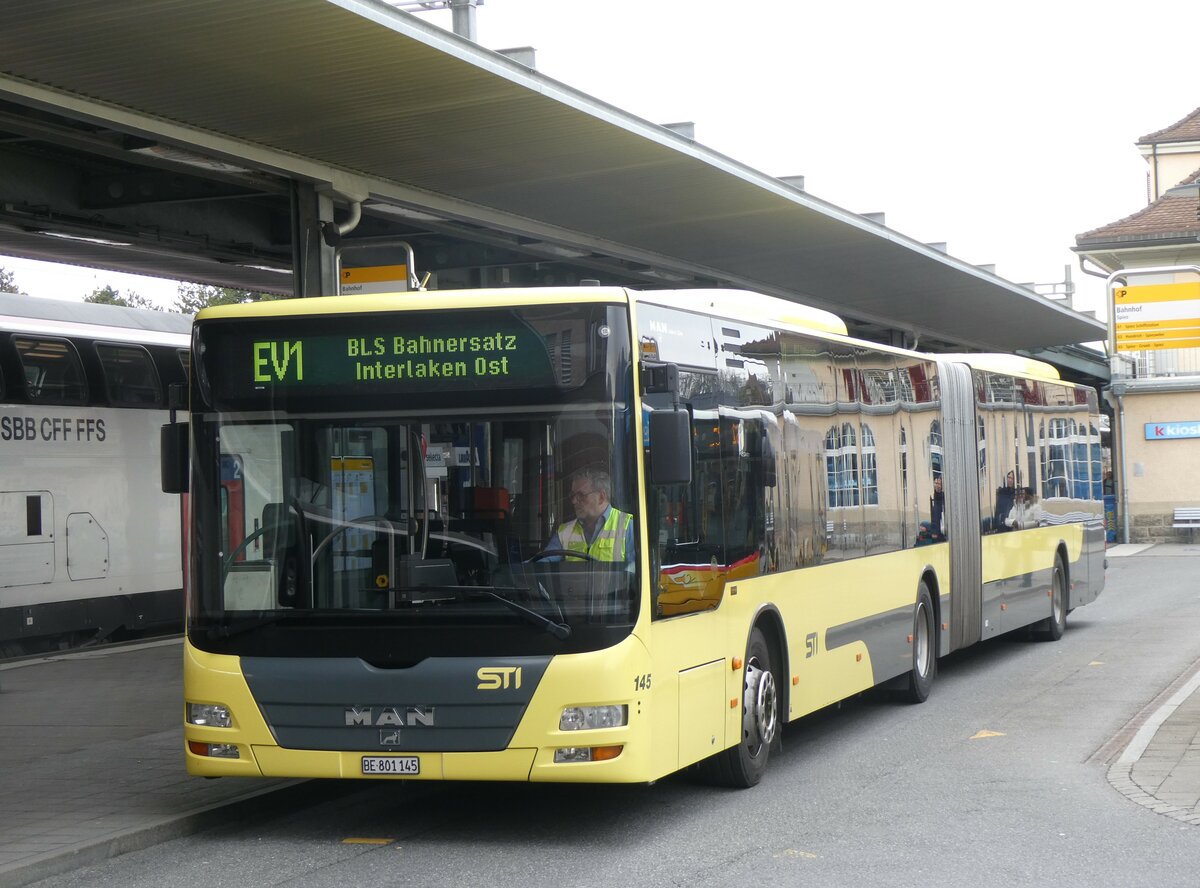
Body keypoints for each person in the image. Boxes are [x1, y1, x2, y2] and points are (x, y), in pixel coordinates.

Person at [546, 468, 634, 563]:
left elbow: (636, 570)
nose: (574, 501)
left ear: (601, 497)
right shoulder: (564, 532)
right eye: (573, 495)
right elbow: (542, 564)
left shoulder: (627, 527)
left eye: (581, 495)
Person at [929, 475, 946, 541]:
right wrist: (935, 532)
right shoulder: (937, 496)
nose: (937, 486)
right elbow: (938, 497)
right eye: (936, 484)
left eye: (939, 484)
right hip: (940, 532)